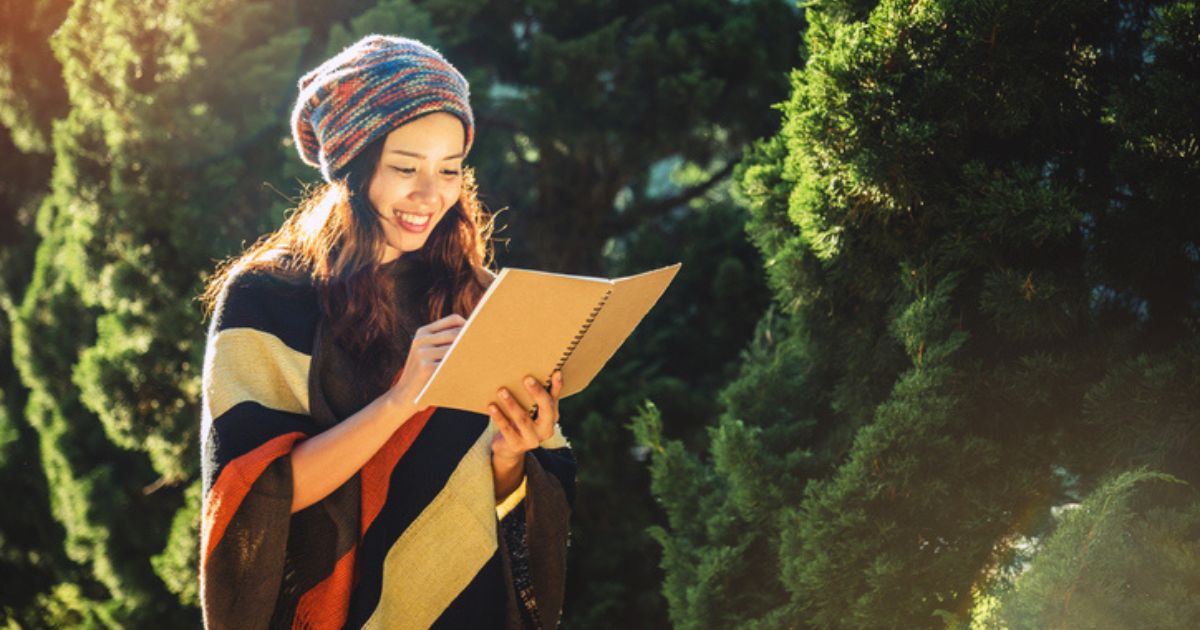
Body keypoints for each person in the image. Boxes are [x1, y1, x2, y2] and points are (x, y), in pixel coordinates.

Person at [198, 35, 575, 629]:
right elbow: (253, 497)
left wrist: (513, 453)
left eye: (450, 170)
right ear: (352, 167)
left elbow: (514, 487)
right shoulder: (268, 298)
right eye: (405, 168)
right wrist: (402, 400)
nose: (431, 195)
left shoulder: (476, 292)